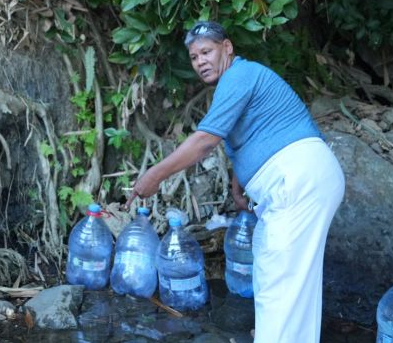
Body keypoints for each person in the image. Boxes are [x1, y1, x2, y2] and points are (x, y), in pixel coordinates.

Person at [126, 21, 345, 343]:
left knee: (281, 278)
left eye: (206, 51)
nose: (200, 61)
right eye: (193, 56)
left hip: (298, 177)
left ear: (227, 48)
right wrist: (238, 181)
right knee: (283, 274)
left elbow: (205, 141)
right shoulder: (237, 81)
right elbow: (247, 132)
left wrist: (154, 175)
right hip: (298, 179)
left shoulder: (240, 75)